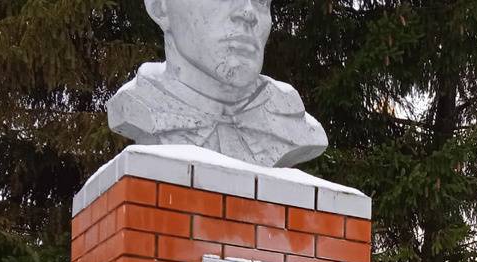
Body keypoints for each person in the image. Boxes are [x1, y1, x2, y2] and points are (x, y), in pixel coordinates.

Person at [107, 0, 328, 166]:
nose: (248, 13)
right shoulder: (139, 103)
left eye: (261, 1)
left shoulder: (291, 120)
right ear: (160, 6)